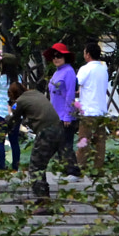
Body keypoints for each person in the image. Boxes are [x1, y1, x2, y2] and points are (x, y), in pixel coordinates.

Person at [12, 83, 67, 204]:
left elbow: (13, 118)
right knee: (43, 165)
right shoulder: (36, 93)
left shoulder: (19, 101)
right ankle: (44, 198)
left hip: (45, 132)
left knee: (35, 167)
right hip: (59, 129)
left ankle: (43, 200)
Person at [74, 42, 113, 174]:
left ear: (88, 54)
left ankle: (80, 168)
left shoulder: (85, 69)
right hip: (101, 110)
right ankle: (98, 169)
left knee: (84, 141)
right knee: (100, 142)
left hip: (88, 111)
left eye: (85, 52)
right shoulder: (103, 69)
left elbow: (76, 84)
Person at [46, 44, 80, 175]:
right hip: (55, 115)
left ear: (65, 57)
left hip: (64, 115)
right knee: (59, 144)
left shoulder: (69, 72)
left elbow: (70, 94)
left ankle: (74, 172)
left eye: (59, 56)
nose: (56, 59)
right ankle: (65, 170)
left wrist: (68, 115)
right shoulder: (57, 72)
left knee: (66, 144)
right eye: (54, 56)